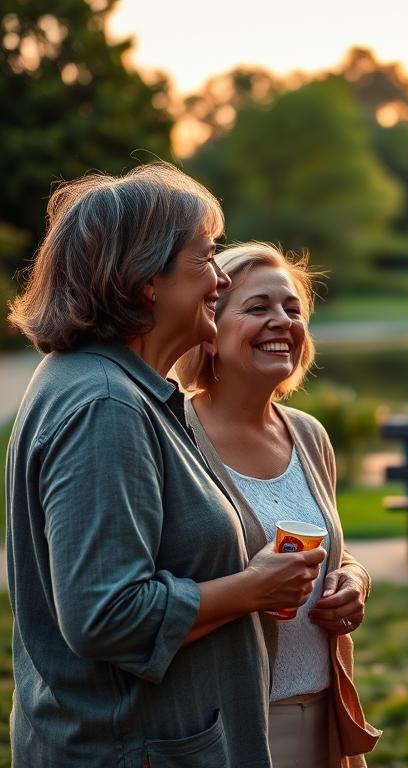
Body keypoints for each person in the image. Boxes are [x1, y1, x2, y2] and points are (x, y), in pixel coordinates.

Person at [5, 164, 326, 765]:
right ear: (148, 279)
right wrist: (251, 589)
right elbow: (106, 616)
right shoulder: (104, 404)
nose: (216, 278)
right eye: (206, 257)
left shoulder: (118, 387)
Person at [176, 242, 380, 767]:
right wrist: (251, 589)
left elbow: (340, 553)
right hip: (229, 724)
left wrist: (354, 582)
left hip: (327, 712)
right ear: (210, 332)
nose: (282, 321)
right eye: (258, 307)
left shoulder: (309, 435)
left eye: (293, 309)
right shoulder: (174, 438)